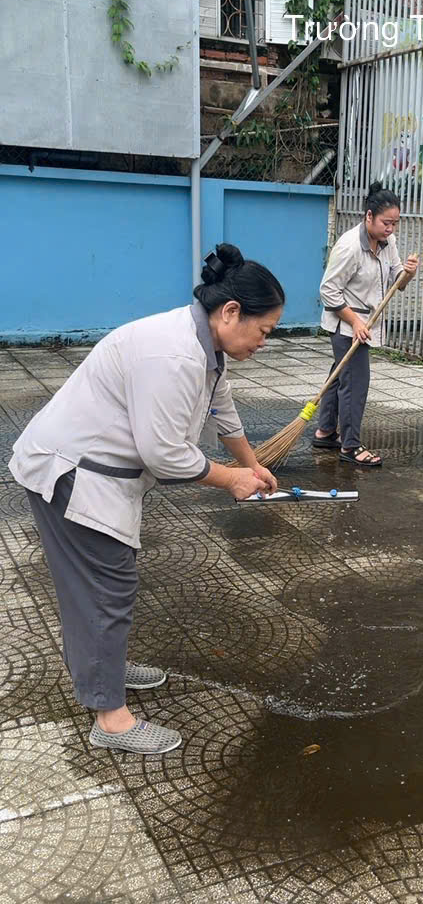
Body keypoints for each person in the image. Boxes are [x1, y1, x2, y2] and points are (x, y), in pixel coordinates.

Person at [9, 245, 284, 755]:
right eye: (263, 331)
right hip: (71, 472)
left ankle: (103, 665)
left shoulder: (207, 349)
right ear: (230, 313)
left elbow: (223, 411)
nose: (263, 343)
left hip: (94, 469)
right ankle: (110, 716)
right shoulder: (174, 355)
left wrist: (251, 463)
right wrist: (231, 480)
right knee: (105, 587)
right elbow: (165, 455)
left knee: (102, 584)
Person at [314, 183, 419, 467]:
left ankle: (325, 431)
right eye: (386, 222)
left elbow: (398, 281)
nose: (391, 229)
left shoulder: (388, 243)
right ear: (369, 216)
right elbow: (328, 291)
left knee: (339, 377)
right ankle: (350, 446)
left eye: (395, 223)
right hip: (346, 326)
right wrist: (355, 322)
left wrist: (408, 273)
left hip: (365, 324)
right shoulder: (349, 247)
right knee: (355, 384)